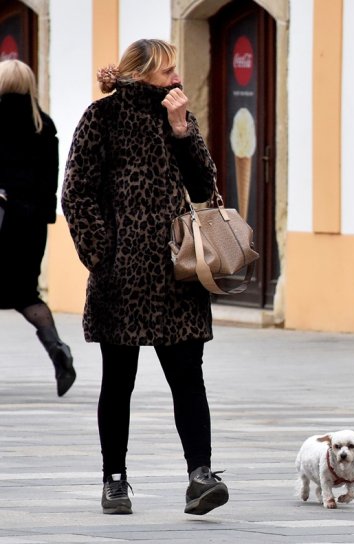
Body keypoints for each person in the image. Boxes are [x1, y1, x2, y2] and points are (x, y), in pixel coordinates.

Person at [62, 39, 228, 516]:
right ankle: (114, 480)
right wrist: (102, 255)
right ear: (141, 74)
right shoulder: (102, 118)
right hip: (122, 279)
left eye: (177, 69)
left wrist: (182, 131)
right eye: (167, 71)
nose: (176, 79)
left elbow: (206, 188)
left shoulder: (176, 119)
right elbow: (76, 193)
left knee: (187, 378)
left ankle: (200, 475)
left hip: (179, 271)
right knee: (119, 381)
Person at [0, 59, 76, 397]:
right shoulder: (43, 125)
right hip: (28, 225)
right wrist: (42, 218)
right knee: (27, 293)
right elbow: (50, 182)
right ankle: (57, 349)